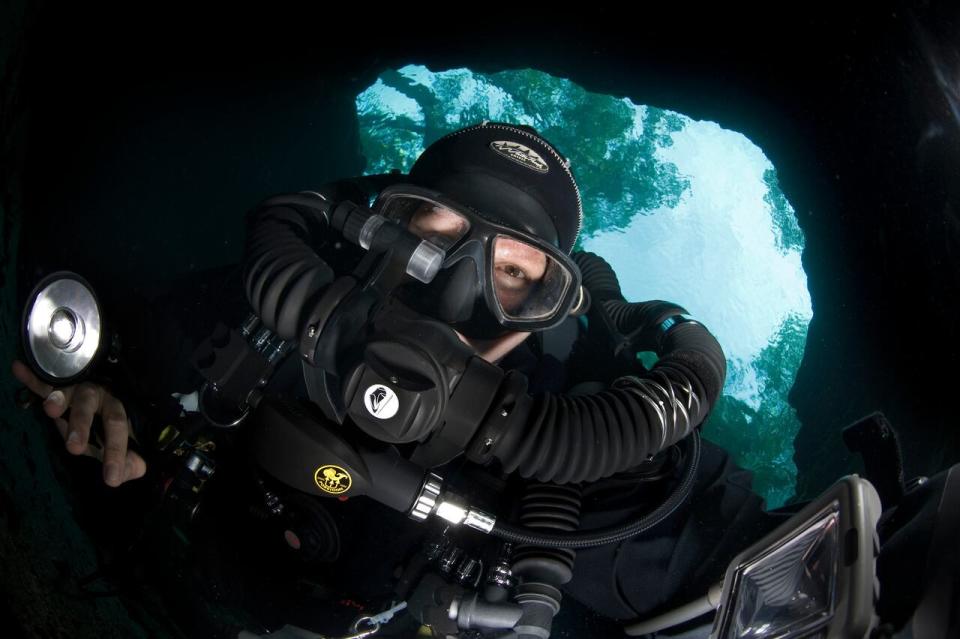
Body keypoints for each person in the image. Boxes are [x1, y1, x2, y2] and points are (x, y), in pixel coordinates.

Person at [12, 122, 768, 633]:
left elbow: (718, 555)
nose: (456, 300)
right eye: (432, 237)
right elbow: (104, 323)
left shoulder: (558, 455)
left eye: (511, 275)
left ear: (545, 312)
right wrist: (104, 392)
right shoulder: (265, 319)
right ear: (375, 231)